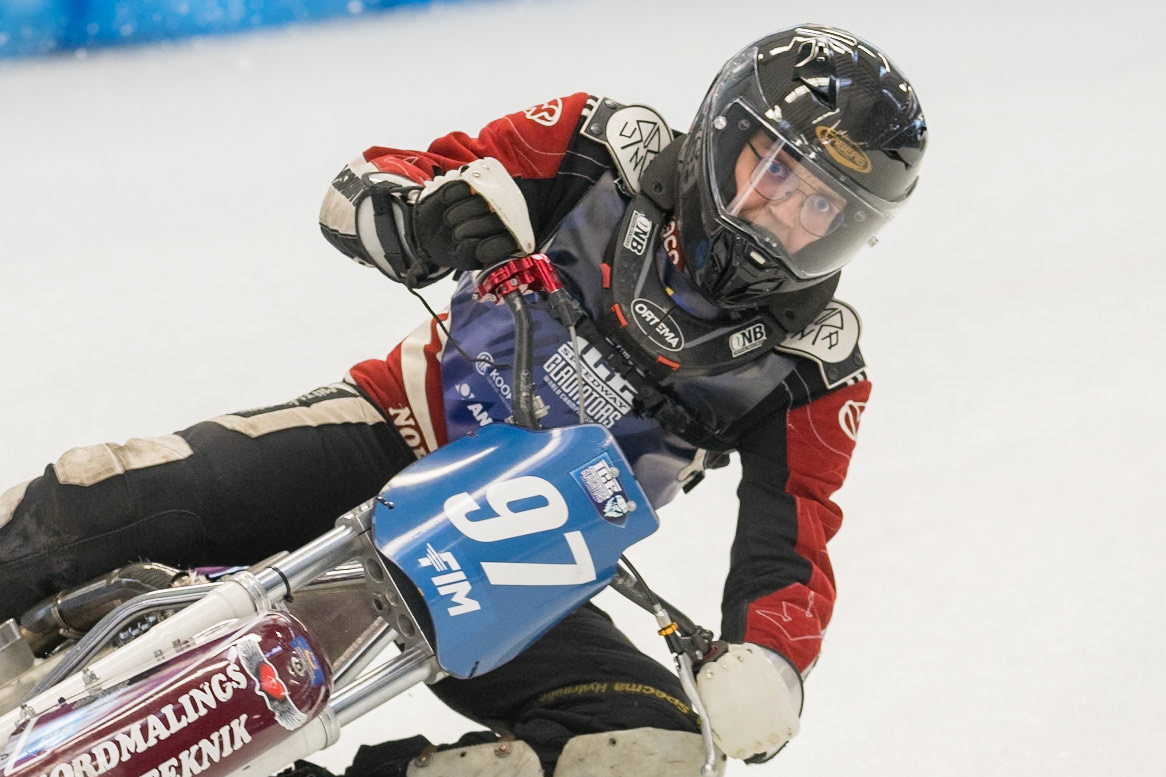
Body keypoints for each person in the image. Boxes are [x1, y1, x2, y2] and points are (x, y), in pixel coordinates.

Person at [0, 23, 926, 777]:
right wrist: (416, 217)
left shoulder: (815, 362)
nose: (777, 214)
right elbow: (369, 183)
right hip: (390, 430)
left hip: (524, 564)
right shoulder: (606, 142)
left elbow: (791, 539)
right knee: (90, 494)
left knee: (654, 748)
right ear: (722, 132)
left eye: (820, 206)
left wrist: (770, 665)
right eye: (770, 169)